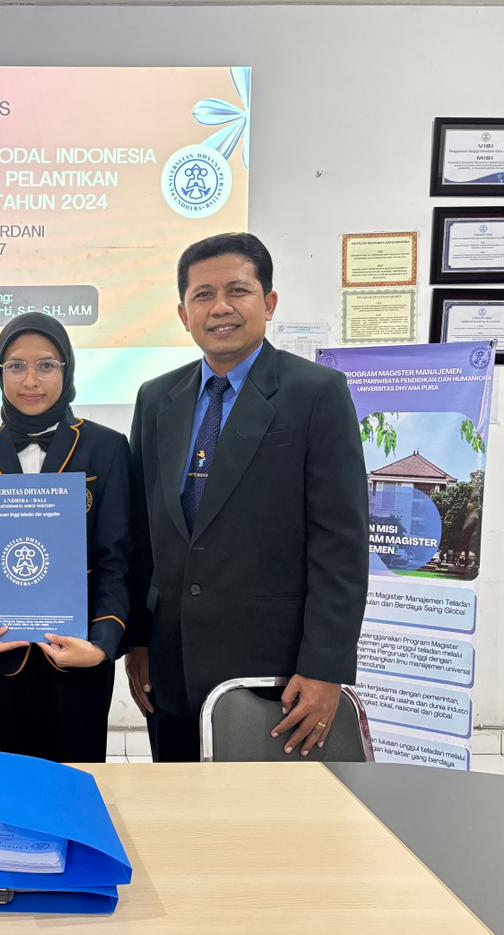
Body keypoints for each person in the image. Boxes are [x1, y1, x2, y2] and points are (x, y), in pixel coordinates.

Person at [126, 232, 368, 761]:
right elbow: (144, 534)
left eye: (237, 290)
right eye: (203, 295)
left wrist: (324, 667)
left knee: (264, 812)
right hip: (171, 666)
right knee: (177, 803)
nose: (220, 308)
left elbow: (341, 544)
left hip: (276, 673)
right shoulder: (156, 399)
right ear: (184, 314)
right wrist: (138, 640)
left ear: (269, 302)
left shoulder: (317, 394)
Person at [0, 312, 131, 763]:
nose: (31, 380)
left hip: (78, 659)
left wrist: (102, 644)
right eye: (16, 366)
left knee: (74, 783)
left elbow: (117, 557)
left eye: (46, 365)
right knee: (1, 787)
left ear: (67, 370)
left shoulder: (106, 447)